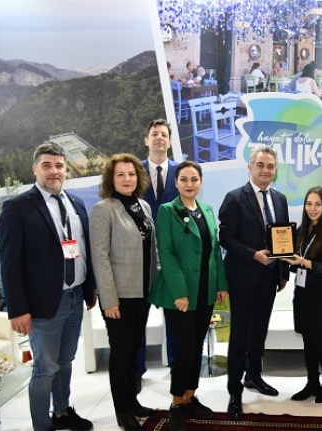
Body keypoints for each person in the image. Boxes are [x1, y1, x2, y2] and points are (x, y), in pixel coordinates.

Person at [0, 142, 97, 431]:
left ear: (66, 170)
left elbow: (82, 248)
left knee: (66, 361)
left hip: (75, 297)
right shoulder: (17, 208)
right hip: (42, 306)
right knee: (44, 369)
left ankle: (62, 412)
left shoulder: (76, 203)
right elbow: (10, 264)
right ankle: (42, 426)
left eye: (59, 166)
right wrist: (17, 310)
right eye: (47, 165)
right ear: (35, 169)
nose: (54, 171)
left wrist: (89, 288)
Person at [149, 161, 229, 431]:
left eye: (194, 179)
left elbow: (215, 250)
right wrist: (180, 292)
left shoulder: (206, 209)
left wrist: (220, 283)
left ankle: (191, 395)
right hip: (180, 293)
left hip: (205, 291)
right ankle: (176, 403)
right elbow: (167, 254)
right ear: (176, 183)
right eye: (184, 179)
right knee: (184, 348)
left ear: (201, 182)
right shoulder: (167, 211)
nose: (189, 184)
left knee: (196, 347)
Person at [218, 146, 290, 420]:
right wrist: (253, 255)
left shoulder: (280, 199)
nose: (265, 170)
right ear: (250, 167)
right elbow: (225, 238)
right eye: (260, 165)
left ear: (275, 170)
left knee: (259, 332)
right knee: (239, 337)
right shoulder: (235, 198)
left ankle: (254, 377)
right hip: (243, 278)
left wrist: (282, 273)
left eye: (270, 166)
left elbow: (283, 237)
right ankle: (234, 392)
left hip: (269, 280)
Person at [90, 153, 158, 431]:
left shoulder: (144, 206)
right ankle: (122, 412)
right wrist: (109, 300)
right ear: (111, 179)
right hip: (119, 297)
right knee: (120, 354)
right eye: (120, 174)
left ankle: (133, 401)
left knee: (134, 351)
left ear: (138, 177)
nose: (127, 179)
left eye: (131, 174)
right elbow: (100, 257)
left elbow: (150, 250)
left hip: (142, 293)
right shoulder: (103, 209)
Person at [281, 187, 322, 404]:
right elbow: (295, 262)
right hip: (303, 293)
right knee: (307, 339)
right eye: (309, 204)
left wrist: (303, 262)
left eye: (318, 204)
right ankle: (311, 383)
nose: (312, 209)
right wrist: (284, 258)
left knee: (319, 340)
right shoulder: (301, 231)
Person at [137, 119, 179, 390]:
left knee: (175, 317)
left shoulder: (181, 171)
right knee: (137, 319)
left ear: (170, 141)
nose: (159, 138)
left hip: (173, 259)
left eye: (164, 134)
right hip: (140, 259)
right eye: (154, 134)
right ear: (146, 140)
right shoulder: (134, 172)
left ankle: (178, 367)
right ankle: (137, 371)